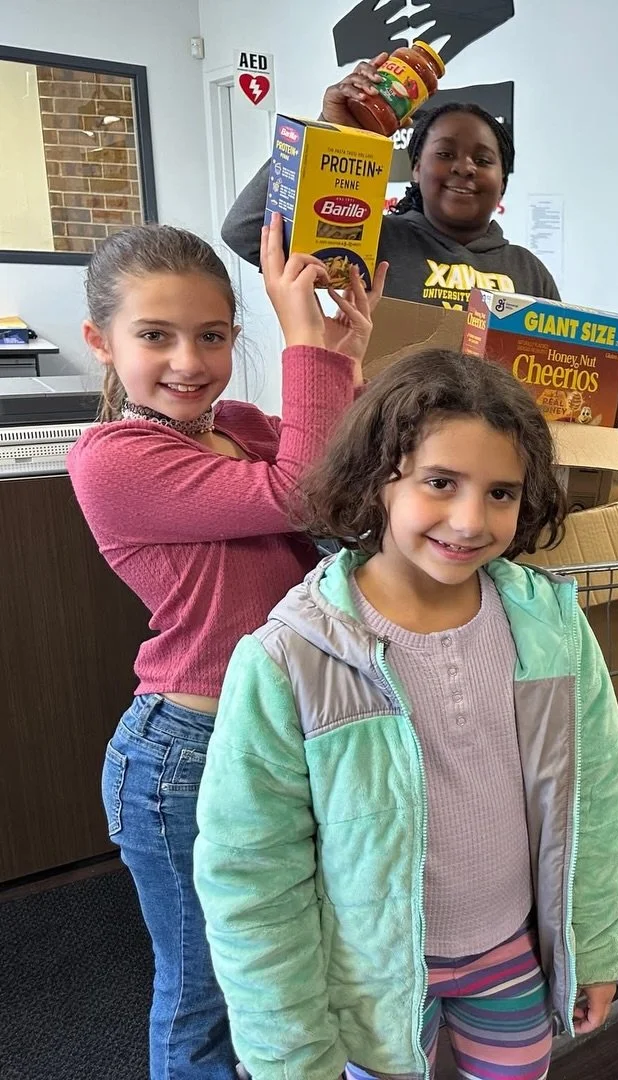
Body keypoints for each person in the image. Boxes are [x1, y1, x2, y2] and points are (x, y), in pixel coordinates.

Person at [192, 351, 618, 1080]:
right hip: (369, 983)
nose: (469, 520)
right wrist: (291, 1053)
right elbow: (251, 876)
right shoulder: (287, 660)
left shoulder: (550, 626)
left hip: (509, 954)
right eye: (440, 483)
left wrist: (594, 945)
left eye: (500, 493)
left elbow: (595, 796)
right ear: (378, 480)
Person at [68, 218, 383, 1079]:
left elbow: (347, 494)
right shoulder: (114, 457)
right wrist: (305, 341)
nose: (188, 360)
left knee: (277, 978)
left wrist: (343, 355)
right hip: (186, 755)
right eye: (155, 336)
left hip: (281, 736)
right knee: (203, 993)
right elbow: (304, 495)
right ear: (101, 343)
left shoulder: (238, 423)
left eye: (211, 335)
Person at [223, 53, 558, 309]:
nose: (464, 168)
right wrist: (331, 129)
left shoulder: (529, 272)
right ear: (415, 167)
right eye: (445, 154)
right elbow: (246, 231)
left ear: (503, 182)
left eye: (483, 160)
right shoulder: (372, 242)